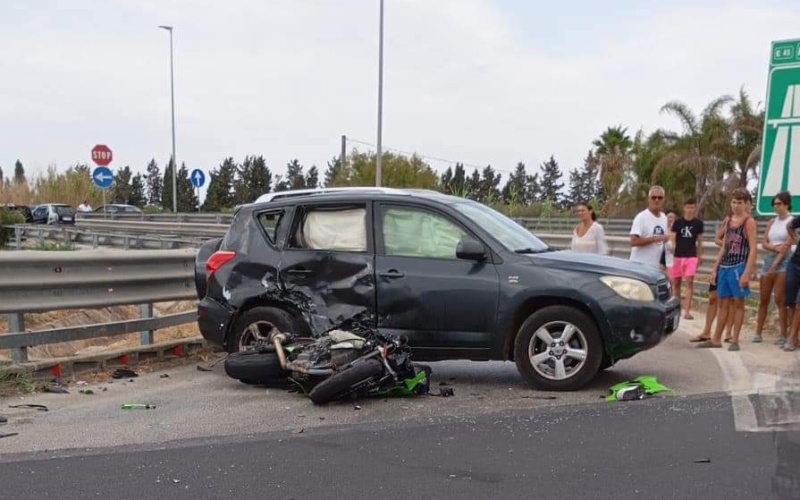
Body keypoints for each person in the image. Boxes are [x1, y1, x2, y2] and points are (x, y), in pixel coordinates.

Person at [697, 188, 758, 351]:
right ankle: (716, 338)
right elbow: (724, 246)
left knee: (738, 303)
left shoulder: (749, 222)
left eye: (740, 202)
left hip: (739, 265)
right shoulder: (729, 221)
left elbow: (753, 248)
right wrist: (715, 269)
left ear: (746, 204)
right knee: (722, 302)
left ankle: (735, 339)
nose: (736, 205)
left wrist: (747, 272)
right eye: (734, 202)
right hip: (725, 266)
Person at [752, 191, 794, 345]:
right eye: (775, 204)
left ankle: (783, 334)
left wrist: (775, 263)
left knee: (780, 299)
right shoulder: (771, 222)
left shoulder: (791, 221)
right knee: (763, 297)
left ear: (786, 204)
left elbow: (787, 245)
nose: (776, 207)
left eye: (779, 204)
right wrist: (774, 249)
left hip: (784, 261)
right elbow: (764, 242)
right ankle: (758, 331)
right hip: (770, 257)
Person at [670, 199, 704, 320]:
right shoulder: (678, 223)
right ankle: (677, 308)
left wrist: (699, 256)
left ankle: (687, 310)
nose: (690, 210)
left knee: (689, 282)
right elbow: (672, 239)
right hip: (678, 256)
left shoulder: (698, 224)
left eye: (692, 207)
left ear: (695, 209)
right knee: (676, 283)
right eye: (688, 207)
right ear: (684, 208)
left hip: (691, 255)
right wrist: (672, 253)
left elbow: (700, 241)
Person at [629, 186, 669, 269]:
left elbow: (665, 243)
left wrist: (664, 262)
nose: (657, 200)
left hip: (655, 269)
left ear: (663, 199)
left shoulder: (664, 218)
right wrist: (655, 239)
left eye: (660, 197)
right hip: (639, 266)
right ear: (649, 199)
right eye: (654, 197)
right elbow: (634, 241)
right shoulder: (641, 217)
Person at [785, 212, 800, 351]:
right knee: (790, 302)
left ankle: (791, 338)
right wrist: (796, 239)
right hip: (795, 263)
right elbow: (790, 225)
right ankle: (794, 337)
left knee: (799, 304)